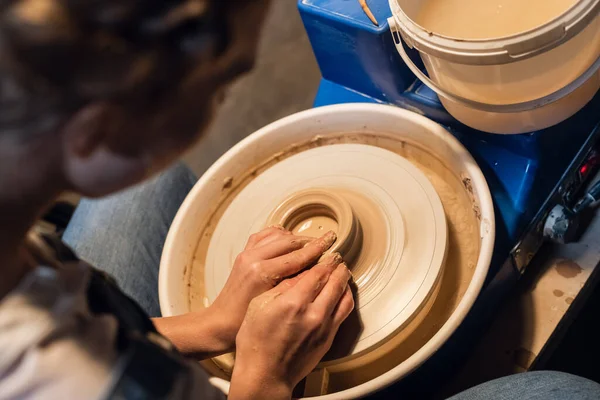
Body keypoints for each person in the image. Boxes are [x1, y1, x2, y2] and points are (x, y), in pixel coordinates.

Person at [0, 0, 598, 399]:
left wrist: (211, 325)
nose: (221, 102)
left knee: (138, 195)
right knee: (562, 393)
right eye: (220, 87)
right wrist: (264, 376)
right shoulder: (71, 377)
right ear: (97, 134)